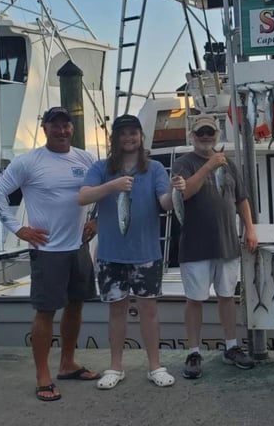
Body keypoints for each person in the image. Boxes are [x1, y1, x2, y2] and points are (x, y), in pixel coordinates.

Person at [0, 107, 100, 402]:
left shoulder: (84, 158)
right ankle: (42, 376)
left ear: (72, 129)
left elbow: (101, 190)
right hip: (47, 250)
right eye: (55, 125)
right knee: (46, 312)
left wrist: (95, 218)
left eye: (66, 125)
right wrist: (18, 229)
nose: (61, 130)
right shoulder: (28, 162)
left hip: (78, 247)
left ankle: (68, 364)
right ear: (44, 127)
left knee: (75, 306)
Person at [77, 114, 185, 390]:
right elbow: (83, 196)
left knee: (149, 310)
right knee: (117, 312)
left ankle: (155, 366)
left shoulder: (156, 169)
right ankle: (115, 367)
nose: (128, 137)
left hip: (147, 252)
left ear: (140, 136)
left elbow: (164, 203)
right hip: (110, 254)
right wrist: (112, 186)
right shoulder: (101, 168)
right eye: (123, 133)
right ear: (115, 137)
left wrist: (175, 191)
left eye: (133, 132)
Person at [173, 115, 259, 378]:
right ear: (192, 136)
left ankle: (231, 346)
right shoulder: (183, 163)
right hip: (195, 245)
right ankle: (194, 351)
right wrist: (209, 166)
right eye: (201, 132)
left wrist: (250, 228)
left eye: (210, 132)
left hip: (227, 242)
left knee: (226, 296)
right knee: (194, 300)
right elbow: (184, 193)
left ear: (218, 134)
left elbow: (241, 198)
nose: (206, 136)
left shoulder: (228, 164)